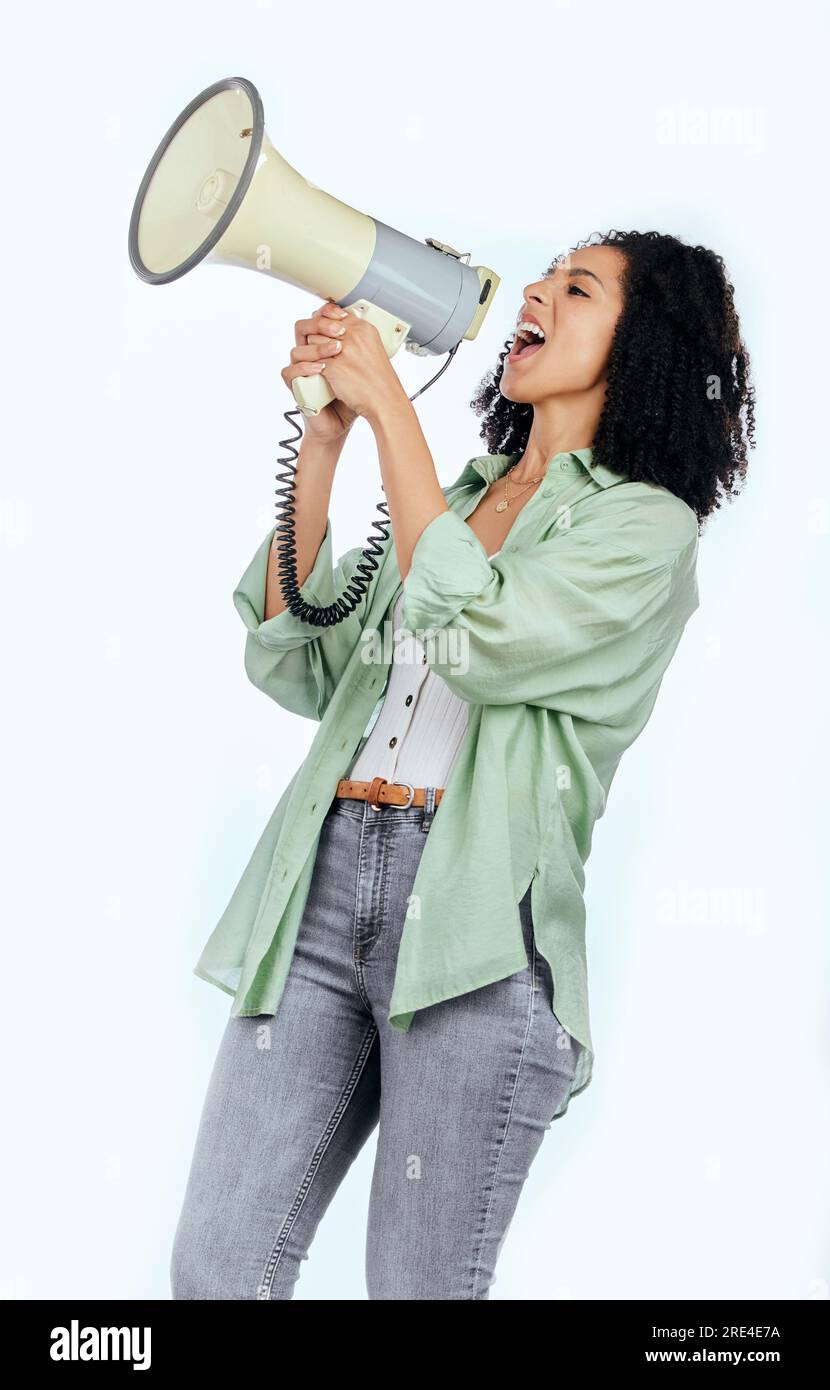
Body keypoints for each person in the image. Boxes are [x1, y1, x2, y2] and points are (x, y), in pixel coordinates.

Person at [170, 229, 755, 1300]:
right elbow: (301, 663)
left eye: (574, 289)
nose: (534, 293)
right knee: (218, 1269)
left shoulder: (642, 531)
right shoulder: (460, 494)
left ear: (643, 349)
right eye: (541, 277)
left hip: (479, 936)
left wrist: (393, 407)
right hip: (323, 885)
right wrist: (332, 440)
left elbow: (478, 633)